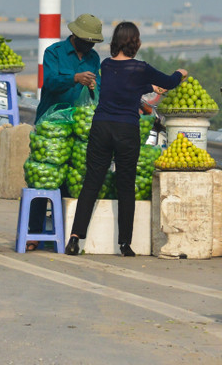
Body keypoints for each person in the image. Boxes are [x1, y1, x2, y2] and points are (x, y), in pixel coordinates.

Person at [65, 21, 187, 257]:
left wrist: (147, 85)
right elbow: (169, 83)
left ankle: (74, 238)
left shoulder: (106, 65)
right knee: (125, 185)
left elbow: (124, 84)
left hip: (101, 127)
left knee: (92, 182)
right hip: (126, 130)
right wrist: (180, 73)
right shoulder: (140, 68)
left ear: (115, 43)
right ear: (136, 43)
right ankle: (124, 244)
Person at [27, 13, 103, 248]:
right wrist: (74, 78)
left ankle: (66, 231)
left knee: (73, 177)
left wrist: (92, 85)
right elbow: (49, 82)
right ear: (76, 36)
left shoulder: (94, 58)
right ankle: (34, 232)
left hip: (79, 126)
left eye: (93, 42)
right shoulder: (54, 52)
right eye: (87, 41)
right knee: (45, 178)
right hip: (52, 126)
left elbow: (97, 88)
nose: (89, 45)